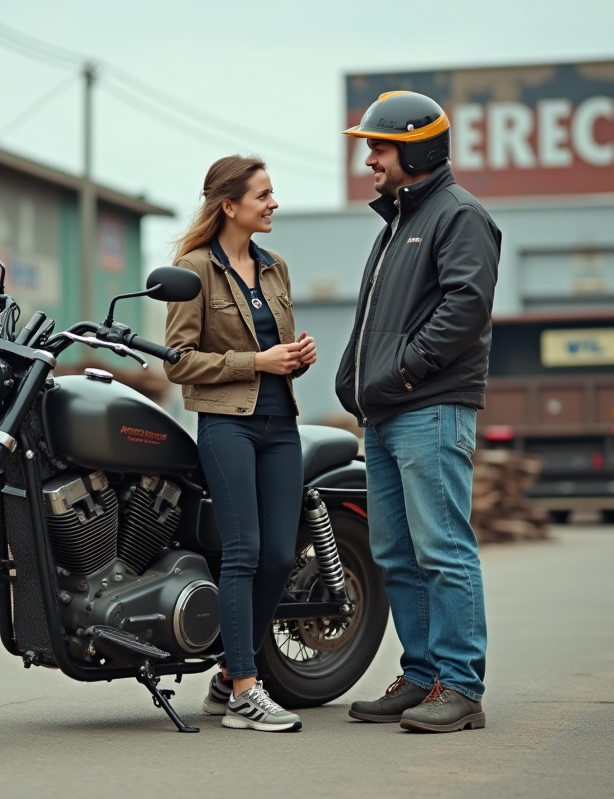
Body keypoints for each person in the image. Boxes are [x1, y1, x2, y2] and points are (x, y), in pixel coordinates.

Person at [336, 92, 501, 733]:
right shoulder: (399, 224)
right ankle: (424, 675)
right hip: (386, 416)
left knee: (443, 550)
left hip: (429, 410)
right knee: (397, 554)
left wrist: (401, 370)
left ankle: (460, 686)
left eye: (379, 147)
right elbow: (378, 323)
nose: (370, 159)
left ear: (416, 149)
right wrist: (360, 384)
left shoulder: (459, 216)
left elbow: (465, 308)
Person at [164, 155, 317, 733]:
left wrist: (295, 359)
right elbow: (178, 361)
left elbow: (278, 352)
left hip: (282, 422)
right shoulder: (193, 269)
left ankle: (230, 676)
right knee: (243, 552)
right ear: (229, 205)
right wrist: (255, 361)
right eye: (263, 195)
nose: (273, 203)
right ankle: (247, 692)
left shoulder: (275, 267)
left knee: (279, 555)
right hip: (227, 424)